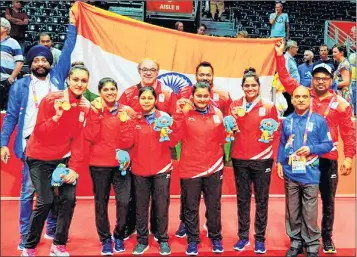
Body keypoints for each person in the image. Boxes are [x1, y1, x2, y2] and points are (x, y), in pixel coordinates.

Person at [0, 11, 77, 251]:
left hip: (59, 145)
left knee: (56, 189)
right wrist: (3, 143)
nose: (40, 63)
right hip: (30, 144)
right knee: (29, 191)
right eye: (36, 60)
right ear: (30, 64)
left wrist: (72, 25)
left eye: (44, 60)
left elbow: (68, 51)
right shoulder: (21, 85)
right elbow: (11, 117)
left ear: (49, 64)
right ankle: (26, 234)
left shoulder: (56, 79)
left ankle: (52, 227)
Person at [275, 39, 355, 254]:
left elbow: (349, 133)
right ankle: (299, 240)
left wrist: (348, 157)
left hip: (327, 158)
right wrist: (279, 56)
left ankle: (326, 237)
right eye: (317, 78)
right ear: (313, 80)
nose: (320, 82)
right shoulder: (303, 94)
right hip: (301, 159)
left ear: (331, 80)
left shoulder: (342, 104)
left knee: (327, 202)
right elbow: (284, 78)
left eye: (325, 78)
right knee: (299, 202)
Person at [21, 63, 91, 257]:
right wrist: (57, 117)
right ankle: (29, 246)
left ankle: (59, 245)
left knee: (68, 199)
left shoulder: (85, 107)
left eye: (83, 80)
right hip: (39, 157)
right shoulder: (51, 100)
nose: (79, 84)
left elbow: (79, 140)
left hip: (63, 160)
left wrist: (74, 168)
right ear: (68, 80)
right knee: (45, 201)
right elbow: (40, 133)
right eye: (75, 79)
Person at [119, 58, 176, 241]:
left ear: (158, 71)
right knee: (135, 196)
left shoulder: (167, 94)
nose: (148, 72)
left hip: (160, 153)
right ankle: (132, 227)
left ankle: (158, 231)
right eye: (145, 69)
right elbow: (120, 118)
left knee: (160, 198)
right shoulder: (128, 93)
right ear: (139, 71)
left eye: (152, 69)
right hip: (135, 154)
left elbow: (175, 122)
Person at [175, 61, 232, 238]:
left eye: (208, 75)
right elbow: (177, 121)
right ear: (196, 76)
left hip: (213, 151)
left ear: (213, 76)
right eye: (202, 75)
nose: (205, 77)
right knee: (188, 195)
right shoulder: (184, 93)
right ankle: (185, 222)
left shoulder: (222, 96)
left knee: (212, 198)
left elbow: (228, 118)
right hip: (190, 150)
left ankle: (211, 224)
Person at [277, 86, 333, 257]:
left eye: (304, 97)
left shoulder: (319, 121)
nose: (300, 100)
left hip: (311, 173)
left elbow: (328, 144)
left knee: (309, 211)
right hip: (291, 172)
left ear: (310, 100)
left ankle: (312, 243)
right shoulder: (287, 121)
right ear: (292, 100)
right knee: (292, 210)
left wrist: (311, 148)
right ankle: (296, 241)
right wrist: (279, 162)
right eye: (297, 97)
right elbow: (281, 143)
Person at [229, 68, 280, 254]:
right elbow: (229, 128)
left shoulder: (268, 106)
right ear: (242, 87)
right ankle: (243, 237)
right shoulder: (235, 105)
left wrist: (270, 136)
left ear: (259, 87)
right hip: (240, 159)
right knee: (242, 200)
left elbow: (276, 130)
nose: (250, 88)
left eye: (253, 85)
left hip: (262, 160)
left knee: (261, 200)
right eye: (247, 85)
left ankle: (260, 238)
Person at [83, 77, 135, 255]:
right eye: (106, 90)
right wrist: (96, 114)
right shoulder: (93, 109)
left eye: (113, 89)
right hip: (99, 164)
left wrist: (125, 122)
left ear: (117, 91)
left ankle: (119, 235)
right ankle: (105, 239)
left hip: (121, 165)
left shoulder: (127, 111)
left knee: (124, 201)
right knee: (101, 202)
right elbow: (91, 135)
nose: (110, 92)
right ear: (100, 92)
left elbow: (129, 141)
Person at [173, 82, 226, 255]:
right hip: (191, 168)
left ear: (210, 96)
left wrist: (230, 131)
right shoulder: (185, 112)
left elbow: (223, 140)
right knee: (191, 206)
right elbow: (174, 139)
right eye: (199, 96)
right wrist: (179, 115)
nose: (202, 99)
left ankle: (216, 237)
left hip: (213, 167)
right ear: (192, 97)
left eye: (205, 96)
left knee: (214, 206)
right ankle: (193, 240)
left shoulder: (217, 114)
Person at [127, 87, 174, 255]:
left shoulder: (165, 118)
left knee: (161, 206)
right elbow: (127, 142)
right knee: (140, 207)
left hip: (162, 169)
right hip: (139, 170)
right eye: (143, 98)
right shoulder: (134, 118)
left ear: (155, 100)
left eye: (149, 98)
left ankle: (163, 240)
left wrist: (170, 133)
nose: (146, 101)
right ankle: (142, 240)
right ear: (139, 100)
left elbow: (173, 143)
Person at [0, 17, 24, 111]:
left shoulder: (13, 43)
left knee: (7, 109)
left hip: (7, 81)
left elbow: (20, 62)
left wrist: (11, 78)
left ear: (5, 28)